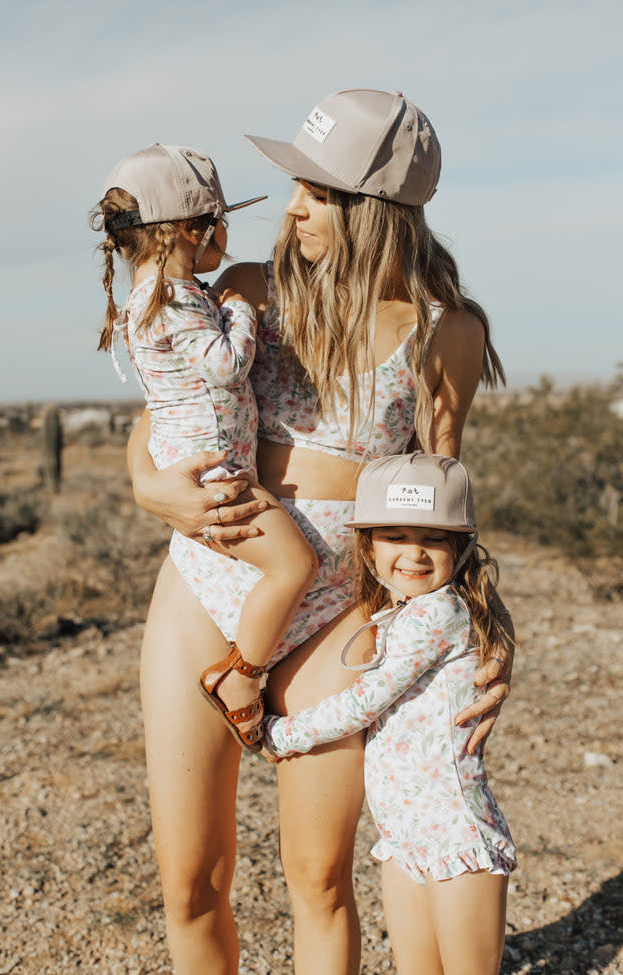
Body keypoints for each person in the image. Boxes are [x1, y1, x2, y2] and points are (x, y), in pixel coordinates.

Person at [126, 89, 514, 975]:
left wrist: (487, 636)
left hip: (340, 609)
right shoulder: (248, 291)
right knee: (191, 882)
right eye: (296, 185)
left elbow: (442, 502)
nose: (293, 207)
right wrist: (150, 487)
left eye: (319, 192)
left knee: (320, 879)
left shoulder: (444, 331)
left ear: (377, 211)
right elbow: (165, 411)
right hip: (208, 584)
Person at [92, 144, 318, 750]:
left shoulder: (153, 295)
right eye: (221, 222)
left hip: (199, 461)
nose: (226, 236)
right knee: (295, 565)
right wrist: (241, 307)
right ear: (191, 229)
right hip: (216, 474)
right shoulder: (176, 297)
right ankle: (239, 676)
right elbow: (226, 365)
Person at [263, 452, 516, 975]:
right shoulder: (400, 613)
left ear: (460, 548)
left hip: (453, 832)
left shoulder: (437, 614)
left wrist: (280, 734)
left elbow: (364, 702)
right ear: (368, 546)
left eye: (434, 538)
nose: (414, 553)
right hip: (405, 832)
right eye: (394, 536)